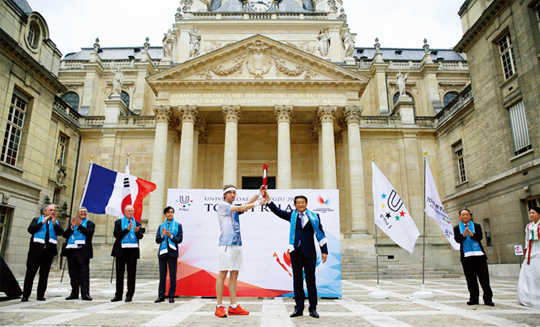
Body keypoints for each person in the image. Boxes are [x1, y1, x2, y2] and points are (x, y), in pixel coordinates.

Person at [265, 190, 328, 318]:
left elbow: (320, 234)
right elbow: (278, 211)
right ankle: (298, 308)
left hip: (309, 253)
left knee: (311, 281)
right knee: (297, 281)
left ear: (306, 204)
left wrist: (324, 251)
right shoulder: (292, 216)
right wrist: (268, 199)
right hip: (296, 253)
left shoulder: (314, 216)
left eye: (302, 202)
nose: (300, 205)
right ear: (294, 205)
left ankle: (313, 308)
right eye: (298, 203)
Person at [214, 184, 266, 318]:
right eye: (230, 193)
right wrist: (258, 203)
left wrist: (259, 193)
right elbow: (243, 207)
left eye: (234, 193)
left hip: (237, 244)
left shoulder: (233, 207)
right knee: (223, 273)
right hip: (226, 244)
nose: (232, 195)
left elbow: (245, 203)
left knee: (234, 274)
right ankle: (219, 306)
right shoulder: (222, 206)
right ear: (224, 195)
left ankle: (233, 306)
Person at [22, 204, 64, 302]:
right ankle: (26, 295)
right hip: (35, 251)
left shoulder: (55, 222)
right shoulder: (37, 220)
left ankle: (40, 295)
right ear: (45, 212)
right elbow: (31, 230)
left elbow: (60, 232)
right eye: (51, 210)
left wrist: (54, 224)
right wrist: (43, 222)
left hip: (48, 252)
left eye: (54, 210)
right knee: (30, 274)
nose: (53, 211)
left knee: (44, 274)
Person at [454, 208, 494, 306]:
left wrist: (472, 235)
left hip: (479, 255)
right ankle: (474, 298)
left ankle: (488, 299)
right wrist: (463, 235)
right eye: (463, 215)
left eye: (467, 214)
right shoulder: (456, 228)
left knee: (484, 278)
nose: (465, 216)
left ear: (470, 216)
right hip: (467, 256)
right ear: (459, 217)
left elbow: (480, 237)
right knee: (471, 279)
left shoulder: (476, 226)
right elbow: (457, 240)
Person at [111, 205, 144, 302]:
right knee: (119, 274)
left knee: (131, 274)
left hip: (132, 251)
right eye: (128, 211)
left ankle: (129, 295)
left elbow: (141, 236)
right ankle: (118, 295)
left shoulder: (137, 223)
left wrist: (137, 232)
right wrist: (127, 230)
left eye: (132, 211)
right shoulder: (119, 222)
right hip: (121, 250)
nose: (130, 212)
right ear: (125, 212)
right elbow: (116, 234)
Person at [62, 207, 95, 301]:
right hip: (71, 250)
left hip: (83, 251)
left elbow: (89, 233)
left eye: (85, 212)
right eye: (81, 212)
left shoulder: (90, 223)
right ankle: (74, 293)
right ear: (77, 214)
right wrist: (72, 227)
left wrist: (79, 226)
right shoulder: (72, 223)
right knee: (73, 273)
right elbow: (65, 235)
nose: (83, 213)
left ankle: (85, 293)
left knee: (84, 273)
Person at [155, 206, 183, 303]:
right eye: (168, 212)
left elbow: (179, 240)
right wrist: (163, 235)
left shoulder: (178, 226)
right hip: (163, 252)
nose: (170, 214)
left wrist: (170, 235)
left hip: (172, 252)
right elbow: (157, 240)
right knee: (162, 275)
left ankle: (171, 295)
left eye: (172, 212)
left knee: (172, 275)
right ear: (165, 214)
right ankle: (161, 295)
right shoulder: (161, 226)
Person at [517, 206, 540, 307]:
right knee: (530, 273)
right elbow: (527, 240)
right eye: (530, 213)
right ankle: (529, 296)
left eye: (533, 213)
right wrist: (527, 253)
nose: (531, 215)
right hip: (532, 250)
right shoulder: (529, 226)